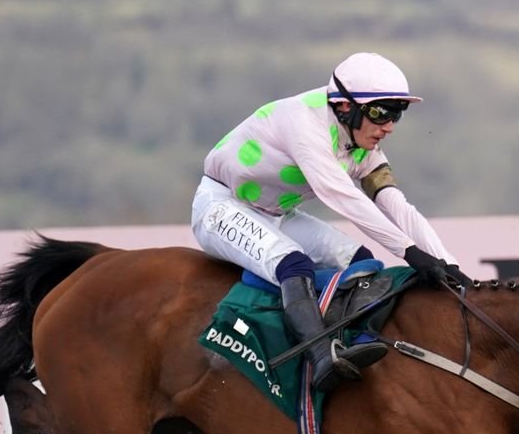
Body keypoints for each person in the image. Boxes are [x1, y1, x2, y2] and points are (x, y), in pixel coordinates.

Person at [193, 52, 468, 393]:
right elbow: (342, 197)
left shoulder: (361, 144)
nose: (390, 126)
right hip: (220, 206)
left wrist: (448, 262)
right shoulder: (304, 123)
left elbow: (397, 205)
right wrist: (410, 252)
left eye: (398, 114)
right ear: (344, 106)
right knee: (294, 264)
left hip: (277, 214)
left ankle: (363, 339)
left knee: (363, 262)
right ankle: (322, 358)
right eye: (381, 113)